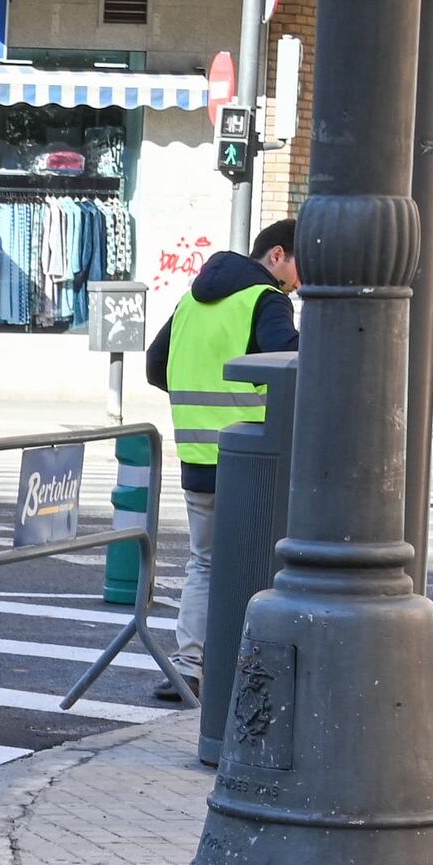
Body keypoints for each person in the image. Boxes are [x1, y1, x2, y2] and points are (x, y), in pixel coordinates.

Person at [153, 221, 300, 704]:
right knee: (262, 565)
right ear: (277, 254)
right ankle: (248, 669)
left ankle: (190, 667)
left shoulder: (192, 299)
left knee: (205, 564)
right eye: (301, 267)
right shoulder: (266, 299)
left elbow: (157, 364)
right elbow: (291, 360)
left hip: (197, 455)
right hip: (253, 456)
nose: (300, 281)